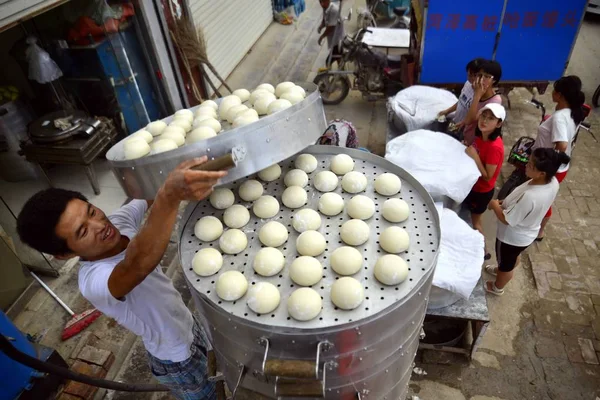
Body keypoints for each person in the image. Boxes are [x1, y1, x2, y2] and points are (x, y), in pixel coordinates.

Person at [16, 157, 228, 400]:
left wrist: (180, 167)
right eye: (83, 232)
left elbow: (150, 192)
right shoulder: (94, 282)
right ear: (64, 254)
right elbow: (137, 265)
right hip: (176, 356)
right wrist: (169, 196)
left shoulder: (118, 222)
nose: (99, 225)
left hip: (187, 324)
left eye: (92, 212)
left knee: (219, 368)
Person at [484, 148, 570, 295]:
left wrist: (494, 205)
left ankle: (498, 286)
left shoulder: (531, 196)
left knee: (506, 266)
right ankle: (503, 267)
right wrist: (506, 202)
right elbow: (520, 204)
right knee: (510, 259)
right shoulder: (552, 182)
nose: (526, 166)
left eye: (530, 165)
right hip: (527, 233)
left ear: (542, 173)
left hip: (511, 238)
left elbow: (506, 219)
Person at [530, 76, 585, 241]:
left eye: (554, 90)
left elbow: (561, 145)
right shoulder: (573, 112)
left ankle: (539, 231)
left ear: (559, 95)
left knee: (544, 200)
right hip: (560, 168)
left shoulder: (560, 117)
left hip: (550, 168)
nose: (552, 92)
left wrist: (546, 160)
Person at [464, 103, 506, 257]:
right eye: (483, 116)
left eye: (491, 119)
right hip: (473, 186)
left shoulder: (495, 147)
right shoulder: (482, 135)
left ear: (499, 123)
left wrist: (474, 156)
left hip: (481, 191)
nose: (484, 121)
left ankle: (483, 251)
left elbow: (488, 176)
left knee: (476, 222)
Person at [460, 60, 503, 145]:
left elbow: (470, 120)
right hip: (466, 137)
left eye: (486, 77)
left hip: (476, 144)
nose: (481, 79)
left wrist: (477, 95)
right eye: (479, 75)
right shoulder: (477, 90)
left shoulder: (495, 101)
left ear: (494, 80)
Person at [437, 58, 486, 128]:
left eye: (474, 75)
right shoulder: (468, 84)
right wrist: (447, 111)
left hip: (465, 129)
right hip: (456, 123)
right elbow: (461, 101)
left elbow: (473, 118)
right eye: (469, 74)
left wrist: (477, 95)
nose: (471, 78)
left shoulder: (481, 94)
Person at [318, 0, 345, 66]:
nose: (321, 4)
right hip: (333, 39)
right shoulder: (325, 7)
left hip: (337, 40)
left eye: (323, 2)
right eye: (320, 2)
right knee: (338, 57)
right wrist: (321, 26)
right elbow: (324, 18)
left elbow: (331, 27)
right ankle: (341, 73)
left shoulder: (334, 10)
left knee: (328, 62)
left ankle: (331, 75)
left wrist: (322, 37)